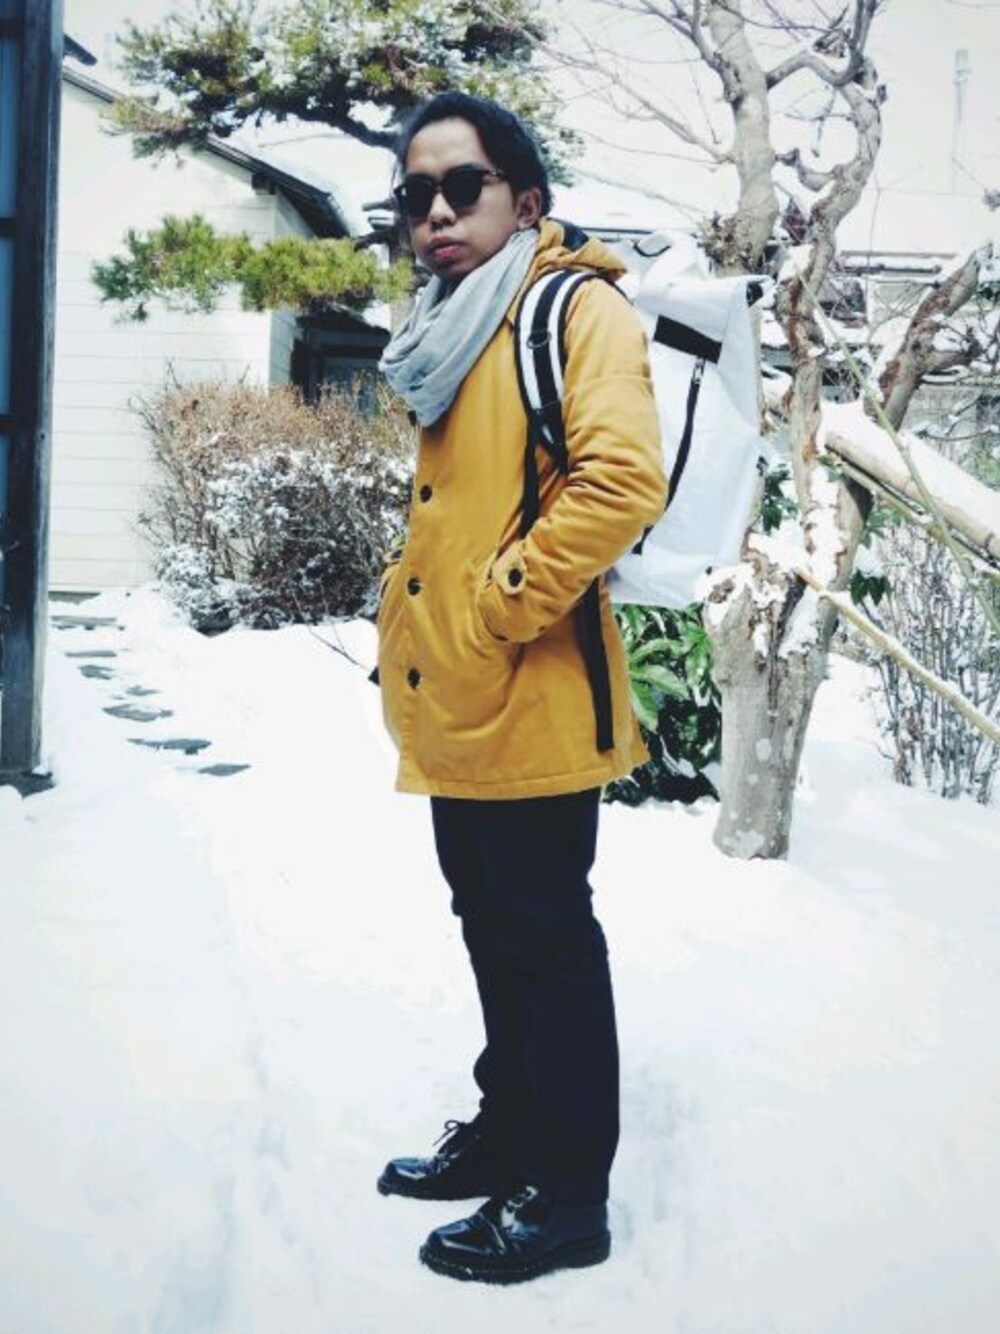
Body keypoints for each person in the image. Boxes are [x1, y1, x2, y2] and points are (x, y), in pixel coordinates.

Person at [375, 91, 667, 1285]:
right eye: (416, 195)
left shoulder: (573, 306)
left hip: (533, 683)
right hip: (457, 689)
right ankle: (510, 1127)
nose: (436, 214)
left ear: (525, 199)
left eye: (464, 187)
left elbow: (620, 481)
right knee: (489, 920)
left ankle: (567, 1190)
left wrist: (496, 604)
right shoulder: (456, 319)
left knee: (544, 933)